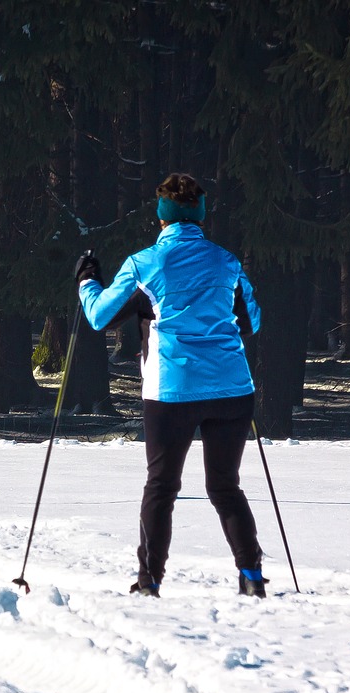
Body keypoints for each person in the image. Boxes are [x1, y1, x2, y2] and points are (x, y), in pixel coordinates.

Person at [76, 173, 267, 598]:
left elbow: (99, 316)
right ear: (199, 215)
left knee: (162, 485)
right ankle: (252, 577)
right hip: (232, 388)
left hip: (171, 390)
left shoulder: (145, 264)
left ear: (162, 216)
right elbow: (252, 321)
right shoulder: (226, 261)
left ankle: (150, 581)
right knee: (225, 485)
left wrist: (87, 280)